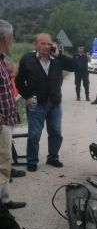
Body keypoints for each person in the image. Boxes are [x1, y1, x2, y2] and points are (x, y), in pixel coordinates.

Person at [0, 19, 49, 229]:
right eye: (11, 38)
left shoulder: (3, 60)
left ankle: (6, 213)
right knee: (1, 167)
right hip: (0, 124)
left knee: (4, 165)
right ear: (5, 39)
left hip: (6, 122)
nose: (12, 41)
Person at [15, 33, 76, 172]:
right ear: (35, 45)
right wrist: (28, 96)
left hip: (54, 102)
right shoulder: (27, 59)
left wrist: (59, 55)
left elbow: (74, 67)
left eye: (49, 44)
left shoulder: (56, 59)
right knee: (34, 134)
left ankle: (53, 157)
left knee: (55, 132)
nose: (46, 46)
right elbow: (19, 82)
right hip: (36, 103)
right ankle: (32, 161)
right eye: (43, 43)